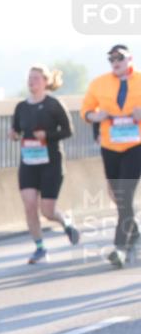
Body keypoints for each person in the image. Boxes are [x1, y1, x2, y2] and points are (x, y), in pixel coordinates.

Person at [10, 65, 80, 263]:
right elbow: (16, 130)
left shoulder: (54, 104)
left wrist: (47, 135)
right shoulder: (21, 107)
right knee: (30, 205)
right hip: (28, 162)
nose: (32, 81)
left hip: (51, 163)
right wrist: (13, 134)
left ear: (46, 81)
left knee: (48, 211)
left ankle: (65, 222)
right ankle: (40, 248)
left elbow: (68, 131)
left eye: (36, 78)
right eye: (30, 78)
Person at [81, 44, 141, 268]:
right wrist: (95, 117)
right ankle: (134, 232)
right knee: (117, 195)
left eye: (120, 58)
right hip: (110, 146)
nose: (116, 62)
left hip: (135, 145)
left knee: (124, 194)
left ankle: (120, 248)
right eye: (111, 59)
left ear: (129, 59)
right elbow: (86, 110)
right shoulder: (99, 83)